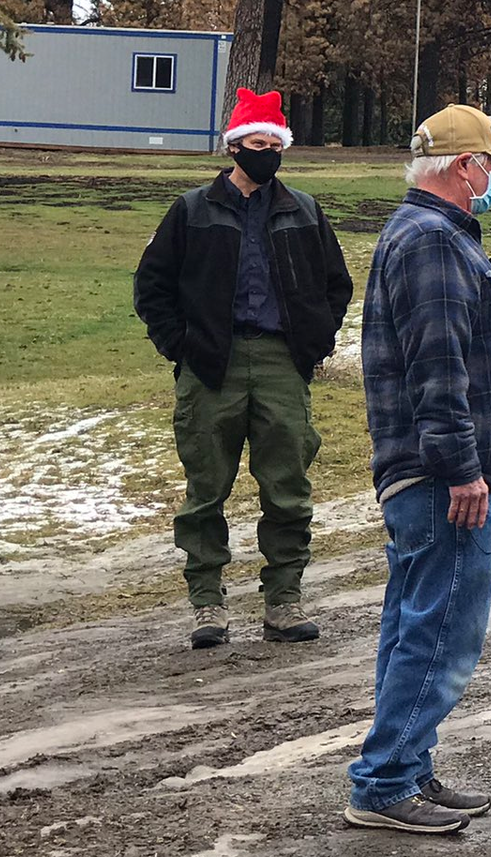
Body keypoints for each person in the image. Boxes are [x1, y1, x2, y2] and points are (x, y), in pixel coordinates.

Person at [343, 104, 491, 834]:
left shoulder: (425, 233)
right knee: (441, 635)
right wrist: (463, 468)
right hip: (443, 479)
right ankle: (385, 783)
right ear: (465, 168)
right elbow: (438, 367)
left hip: (426, 474)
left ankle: (407, 766)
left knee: (413, 624)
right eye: (490, 165)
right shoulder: (431, 241)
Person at [134, 88, 353, 650]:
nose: (265, 152)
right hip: (211, 367)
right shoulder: (191, 211)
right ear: (235, 147)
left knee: (287, 486)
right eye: (255, 143)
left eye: (273, 144)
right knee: (206, 489)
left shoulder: (303, 210)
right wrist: (180, 347)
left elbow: (337, 284)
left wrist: (315, 342)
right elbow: (152, 287)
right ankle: (207, 604)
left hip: (283, 362)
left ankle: (284, 599)